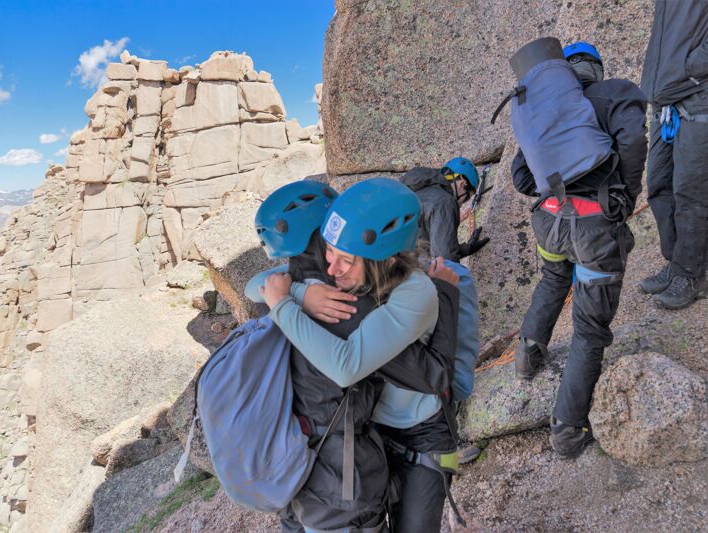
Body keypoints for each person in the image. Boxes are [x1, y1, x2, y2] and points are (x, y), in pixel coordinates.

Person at [259, 178, 462, 533]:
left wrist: (284, 306)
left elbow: (346, 366)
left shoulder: (413, 294)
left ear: (384, 258)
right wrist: (302, 293)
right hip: (375, 430)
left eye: (345, 260)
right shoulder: (357, 278)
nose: (332, 270)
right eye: (329, 254)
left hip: (421, 435)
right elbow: (261, 281)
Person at [511, 41, 648, 458]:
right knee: (589, 330)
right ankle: (567, 430)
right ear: (596, 68)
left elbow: (520, 177)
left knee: (553, 277)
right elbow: (634, 141)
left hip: (549, 222)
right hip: (593, 230)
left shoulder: (543, 114)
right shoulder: (616, 93)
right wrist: (623, 194)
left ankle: (527, 356)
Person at [639, 0, 708, 308]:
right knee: (659, 185)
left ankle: (692, 275)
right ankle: (677, 262)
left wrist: (692, 69)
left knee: (691, 193)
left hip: (697, 98)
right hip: (665, 100)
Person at [400, 157, 489, 262]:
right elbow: (445, 258)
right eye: (468, 197)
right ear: (462, 184)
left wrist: (467, 249)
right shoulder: (445, 201)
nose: (463, 203)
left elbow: (431, 244)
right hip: (408, 271)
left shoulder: (413, 189)